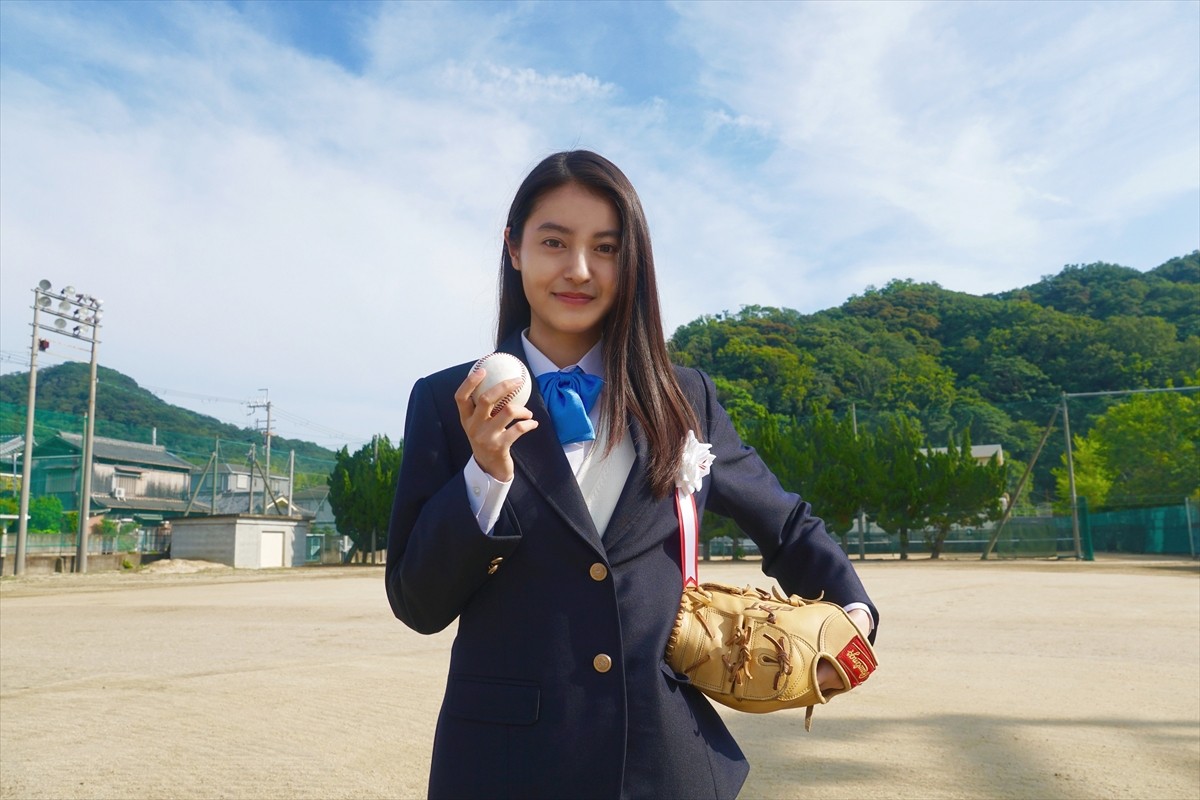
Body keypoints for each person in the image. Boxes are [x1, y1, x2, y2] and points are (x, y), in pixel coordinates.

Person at [385, 150, 878, 800]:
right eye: (554, 242)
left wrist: (853, 615)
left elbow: (784, 522)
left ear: (632, 261)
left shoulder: (685, 397)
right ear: (513, 248)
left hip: (666, 761)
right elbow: (417, 604)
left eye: (606, 247)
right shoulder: (449, 402)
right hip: (506, 765)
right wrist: (484, 477)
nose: (579, 269)